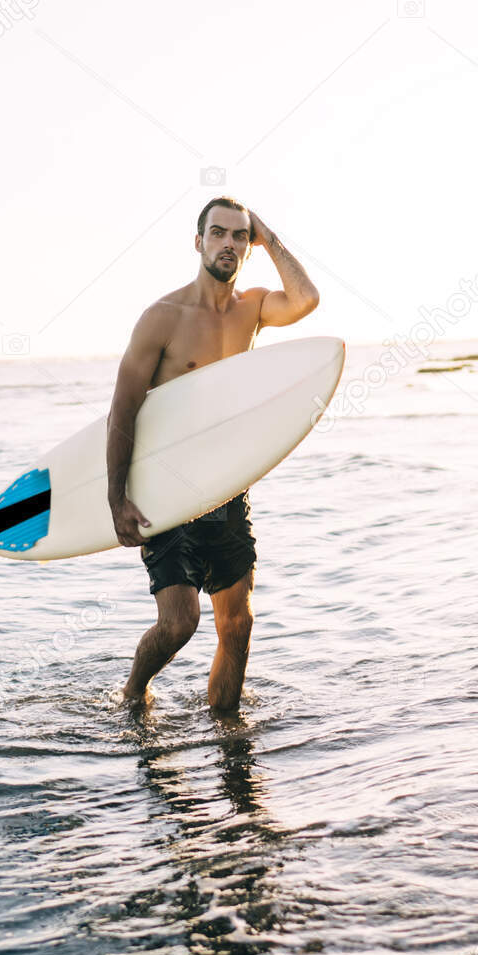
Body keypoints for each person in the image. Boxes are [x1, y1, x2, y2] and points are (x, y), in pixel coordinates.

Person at [108, 197, 319, 710]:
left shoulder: (253, 308)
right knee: (180, 623)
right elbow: (123, 409)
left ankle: (228, 727)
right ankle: (133, 696)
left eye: (239, 236)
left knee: (238, 623)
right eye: (218, 233)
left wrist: (268, 236)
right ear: (198, 240)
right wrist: (117, 498)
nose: (229, 243)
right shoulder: (163, 317)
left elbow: (306, 299)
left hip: (226, 486)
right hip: (164, 486)